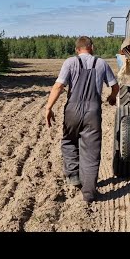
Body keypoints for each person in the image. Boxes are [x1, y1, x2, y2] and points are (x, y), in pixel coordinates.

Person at [44, 36, 119, 203]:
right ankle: (89, 194)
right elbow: (115, 87)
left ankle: (74, 177)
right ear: (91, 47)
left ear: (77, 50)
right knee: (91, 152)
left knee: (69, 142)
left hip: (72, 110)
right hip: (93, 111)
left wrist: (48, 108)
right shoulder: (101, 63)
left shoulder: (70, 62)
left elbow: (58, 86)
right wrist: (112, 98)